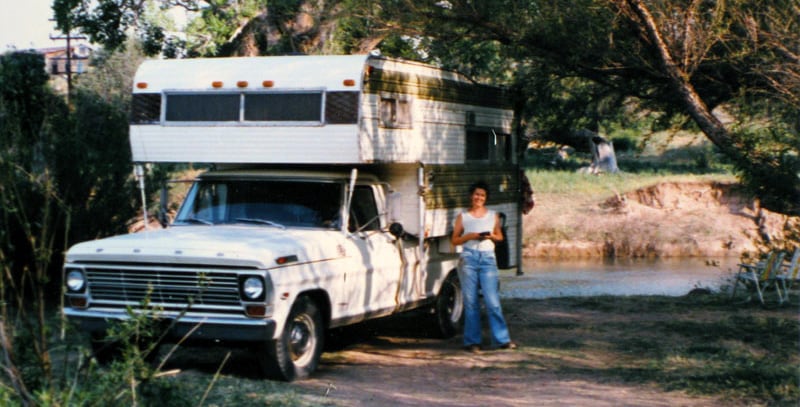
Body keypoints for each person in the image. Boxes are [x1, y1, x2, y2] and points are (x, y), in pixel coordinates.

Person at [451, 182, 517, 353]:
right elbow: (455, 240)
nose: (479, 198)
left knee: (492, 301)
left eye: (482, 195)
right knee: (471, 301)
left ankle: (502, 340)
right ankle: (472, 342)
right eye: (476, 194)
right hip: (469, 259)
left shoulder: (492, 215)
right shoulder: (463, 217)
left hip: (487, 258)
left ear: (486, 198)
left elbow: (500, 237)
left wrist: (491, 236)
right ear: (471, 196)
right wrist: (470, 236)